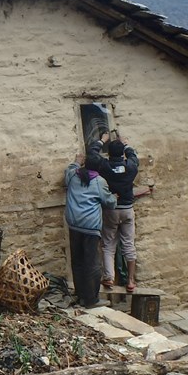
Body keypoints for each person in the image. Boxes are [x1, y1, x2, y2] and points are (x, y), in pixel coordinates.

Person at [88, 132, 139, 292]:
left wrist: (102, 141)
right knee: (128, 245)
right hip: (127, 209)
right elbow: (133, 156)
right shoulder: (130, 166)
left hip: (111, 209)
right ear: (122, 153)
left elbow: (92, 155)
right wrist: (125, 144)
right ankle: (130, 281)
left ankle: (109, 277)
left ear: (108, 153)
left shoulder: (104, 166)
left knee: (108, 245)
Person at [64, 153, 117, 308]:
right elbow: (110, 203)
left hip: (74, 224)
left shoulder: (74, 175)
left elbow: (68, 173)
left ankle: (80, 295)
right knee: (92, 263)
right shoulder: (99, 182)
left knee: (78, 260)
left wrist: (76, 162)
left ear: (85, 164)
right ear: (99, 168)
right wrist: (114, 196)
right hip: (90, 227)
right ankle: (92, 299)